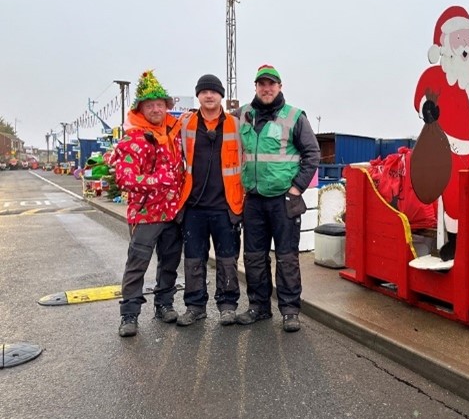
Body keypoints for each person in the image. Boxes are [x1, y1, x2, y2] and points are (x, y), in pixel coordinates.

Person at [413, 3, 469, 262]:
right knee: (453, 199)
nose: (465, 43)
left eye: (467, 37)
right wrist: (426, 107)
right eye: (458, 38)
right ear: (445, 45)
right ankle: (455, 241)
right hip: (453, 150)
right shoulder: (436, 75)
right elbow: (421, 96)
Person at [235, 65, 320, 332]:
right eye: (262, 84)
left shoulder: (294, 117)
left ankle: (290, 310)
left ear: (280, 87)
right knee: (254, 257)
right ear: (256, 87)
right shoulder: (242, 115)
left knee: (287, 257)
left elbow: (312, 154)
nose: (266, 88)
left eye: (271, 84)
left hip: (284, 200)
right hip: (254, 200)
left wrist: (296, 189)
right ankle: (259, 307)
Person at [108, 70, 184, 337]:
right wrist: (161, 179)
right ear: (140, 109)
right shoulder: (133, 139)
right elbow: (125, 179)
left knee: (170, 263)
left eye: (160, 105)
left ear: (166, 107)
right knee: (137, 264)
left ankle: (164, 305)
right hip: (145, 214)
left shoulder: (173, 134)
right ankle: (129, 314)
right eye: (149, 105)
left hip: (173, 212)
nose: (155, 109)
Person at [175, 74, 244, 327]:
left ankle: (227, 305)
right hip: (194, 206)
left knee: (227, 259)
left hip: (226, 205)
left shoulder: (236, 125)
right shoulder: (186, 124)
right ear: (198, 95)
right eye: (204, 91)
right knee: (193, 258)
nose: (209, 95)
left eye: (213, 91)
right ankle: (195, 306)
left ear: (221, 95)